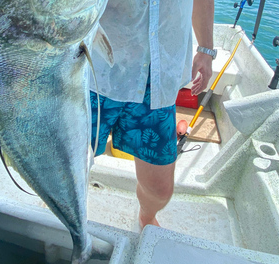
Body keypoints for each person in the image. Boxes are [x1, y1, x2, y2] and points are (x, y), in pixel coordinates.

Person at [90, 0, 215, 229]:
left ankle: (145, 218)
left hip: (156, 82)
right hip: (93, 73)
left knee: (159, 190)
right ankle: (57, 208)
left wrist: (206, 49)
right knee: (66, 164)